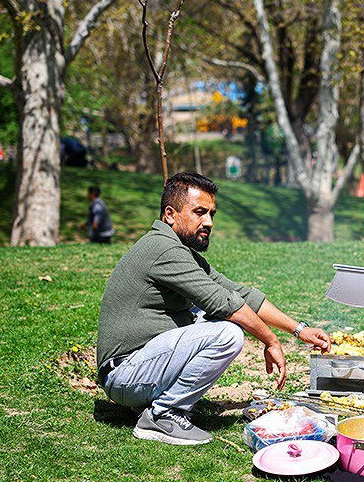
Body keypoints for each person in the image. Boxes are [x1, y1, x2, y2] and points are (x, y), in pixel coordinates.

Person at [97, 172, 331, 445]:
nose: (208, 222)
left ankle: (157, 403)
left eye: (211, 214)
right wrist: (270, 340)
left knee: (208, 317)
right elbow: (224, 304)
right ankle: (163, 416)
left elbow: (238, 293)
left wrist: (299, 329)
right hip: (125, 375)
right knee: (227, 332)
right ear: (170, 214)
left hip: (136, 369)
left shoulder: (176, 248)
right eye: (199, 212)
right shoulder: (164, 250)